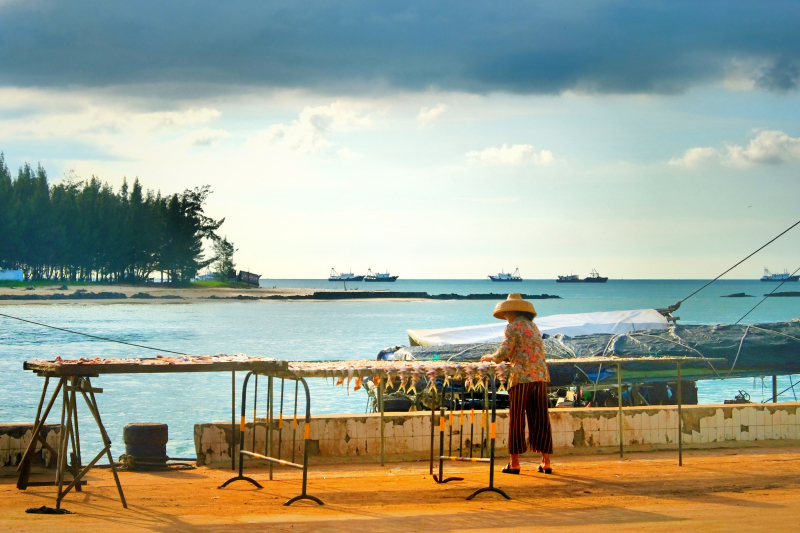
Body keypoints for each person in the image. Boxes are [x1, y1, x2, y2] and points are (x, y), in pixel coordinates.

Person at [480, 293, 553, 474]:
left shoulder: (511, 327)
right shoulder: (534, 326)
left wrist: (490, 357)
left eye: (506, 313)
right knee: (541, 419)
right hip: (541, 376)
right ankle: (546, 462)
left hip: (521, 378)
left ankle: (515, 463)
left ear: (511, 312)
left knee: (517, 419)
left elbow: (505, 351)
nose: (505, 316)